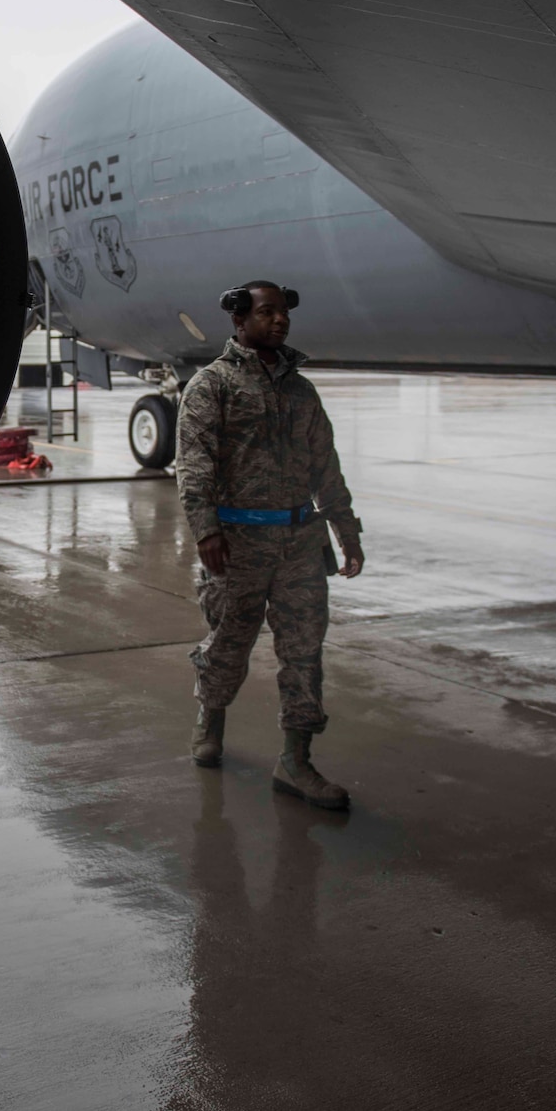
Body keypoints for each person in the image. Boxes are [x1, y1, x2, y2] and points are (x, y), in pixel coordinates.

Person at [174, 281, 365, 810]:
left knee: (304, 652)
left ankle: (295, 760)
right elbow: (194, 463)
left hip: (300, 543)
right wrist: (206, 529)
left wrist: (345, 530)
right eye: (266, 312)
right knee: (230, 643)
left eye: (283, 313)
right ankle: (210, 718)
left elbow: (326, 466)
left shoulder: (301, 391)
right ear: (239, 320)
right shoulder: (212, 385)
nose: (279, 321)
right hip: (238, 544)